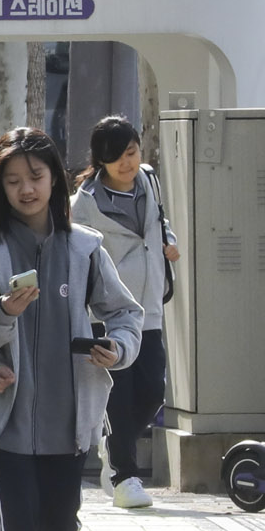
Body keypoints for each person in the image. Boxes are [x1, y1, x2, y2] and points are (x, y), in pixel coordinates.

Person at [0, 127, 141, 531]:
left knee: (59, 521)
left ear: (55, 179)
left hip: (72, 420)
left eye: (36, 177)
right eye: (13, 180)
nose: (26, 189)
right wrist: (4, 316)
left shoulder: (85, 248)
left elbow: (127, 314)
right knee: (19, 522)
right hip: (6, 419)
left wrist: (118, 347)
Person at [69, 116, 179, 510]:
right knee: (120, 394)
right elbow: (79, 256)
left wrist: (168, 241)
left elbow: (160, 223)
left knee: (151, 392)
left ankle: (112, 445)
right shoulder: (83, 206)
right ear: (101, 160)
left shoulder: (149, 180)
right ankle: (124, 476)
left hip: (149, 308)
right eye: (117, 157)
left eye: (131, 152)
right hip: (110, 314)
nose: (127, 163)